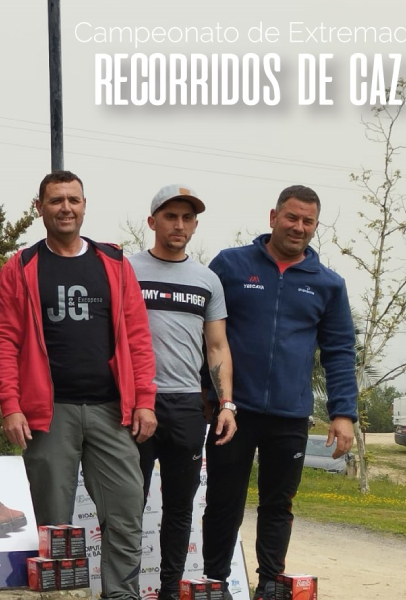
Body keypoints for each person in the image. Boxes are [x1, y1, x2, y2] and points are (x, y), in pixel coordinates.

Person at [0, 170, 157, 600]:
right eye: (56, 200)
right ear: (39, 207)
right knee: (51, 521)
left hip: (110, 410)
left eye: (74, 199)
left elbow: (137, 337)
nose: (66, 207)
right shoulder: (22, 266)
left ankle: (120, 594)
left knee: (125, 511)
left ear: (84, 205)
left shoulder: (114, 264)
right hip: (49, 413)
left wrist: (144, 401)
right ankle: (54, 595)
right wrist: (10, 404)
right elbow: (5, 340)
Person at [201, 185, 357, 600]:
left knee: (278, 504)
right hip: (233, 412)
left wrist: (344, 413)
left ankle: (270, 584)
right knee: (223, 501)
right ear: (273, 217)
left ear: (315, 226)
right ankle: (214, 583)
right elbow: (207, 334)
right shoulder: (230, 266)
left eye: (308, 221)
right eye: (292, 217)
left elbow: (340, 351)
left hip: (290, 415)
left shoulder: (328, 284)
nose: (298, 227)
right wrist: (208, 394)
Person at [127, 185, 237, 600]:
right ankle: (124, 590)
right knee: (128, 507)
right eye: (170, 216)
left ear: (194, 225)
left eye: (187, 218)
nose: (179, 224)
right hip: (137, 403)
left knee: (178, 509)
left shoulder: (207, 279)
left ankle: (171, 590)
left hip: (188, 406)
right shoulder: (125, 269)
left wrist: (226, 402)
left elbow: (217, 346)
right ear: (152, 221)